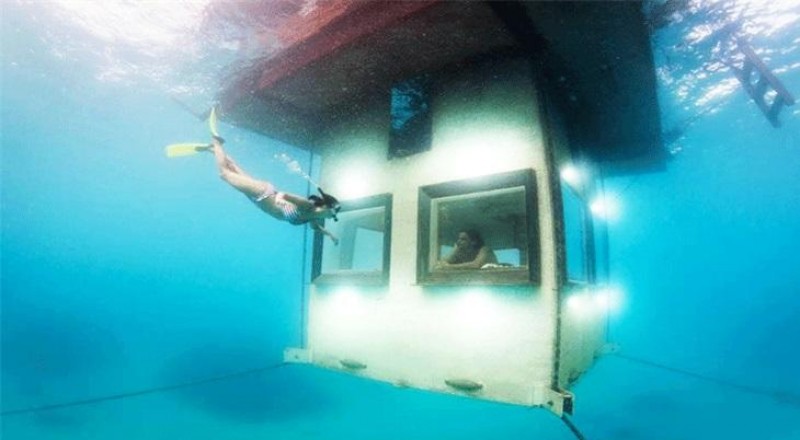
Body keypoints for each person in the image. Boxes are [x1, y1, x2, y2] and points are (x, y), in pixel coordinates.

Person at [209, 135, 341, 244]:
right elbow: (283, 194)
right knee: (225, 174)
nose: (332, 217)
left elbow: (317, 229)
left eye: (334, 216)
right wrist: (279, 201)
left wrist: (331, 236)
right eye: (333, 213)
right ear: (326, 207)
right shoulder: (306, 205)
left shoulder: (312, 218)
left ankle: (215, 150)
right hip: (263, 193)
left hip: (258, 201)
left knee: (234, 169)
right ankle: (217, 143)